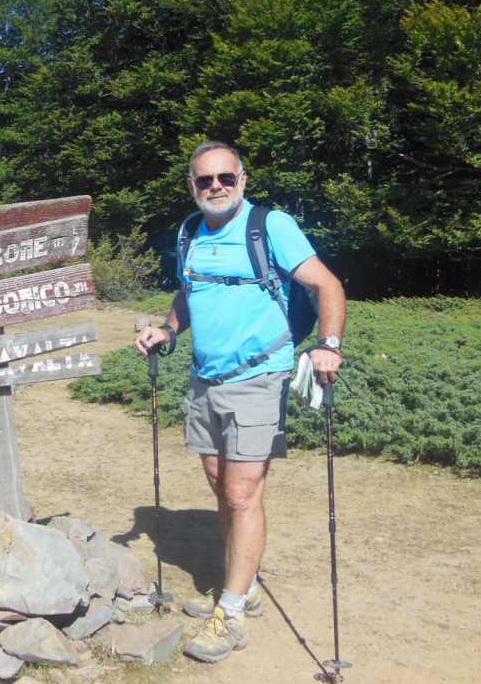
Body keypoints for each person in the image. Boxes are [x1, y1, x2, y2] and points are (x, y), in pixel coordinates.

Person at [135, 140, 346, 663]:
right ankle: (244, 585)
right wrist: (168, 330)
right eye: (205, 180)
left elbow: (328, 285)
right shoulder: (189, 232)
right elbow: (190, 291)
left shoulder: (269, 226)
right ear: (192, 185)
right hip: (205, 379)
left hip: (259, 377)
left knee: (241, 494)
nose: (216, 187)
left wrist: (328, 344)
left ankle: (229, 613)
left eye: (226, 178)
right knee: (219, 485)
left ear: (242, 180)